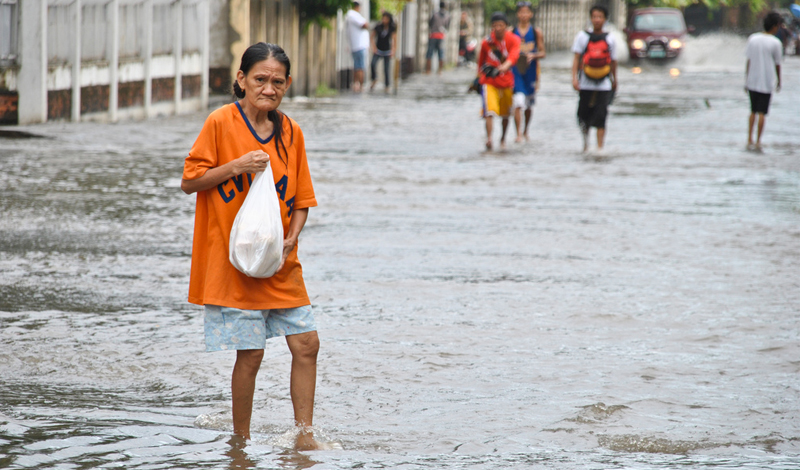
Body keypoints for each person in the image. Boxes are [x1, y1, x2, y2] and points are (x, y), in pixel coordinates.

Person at [181, 42, 321, 450]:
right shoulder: (221, 122)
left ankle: (304, 436)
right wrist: (236, 166)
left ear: (288, 84)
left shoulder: (290, 131)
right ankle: (240, 442)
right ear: (240, 80)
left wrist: (292, 237)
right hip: (234, 262)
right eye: (260, 79)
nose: (269, 88)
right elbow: (190, 181)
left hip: (279, 260)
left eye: (278, 81)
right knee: (251, 353)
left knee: (307, 344)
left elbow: (302, 200)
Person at [571, 5, 617, 153]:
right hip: (585, 82)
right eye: (594, 17)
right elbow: (576, 59)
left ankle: (599, 148)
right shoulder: (582, 37)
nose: (597, 20)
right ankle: (585, 145)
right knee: (583, 115)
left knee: (601, 115)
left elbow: (613, 62)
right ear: (590, 18)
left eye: (600, 17)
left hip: (604, 83)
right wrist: (574, 79)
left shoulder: (611, 39)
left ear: (605, 19)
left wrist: (614, 80)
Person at [477, 12, 521, 150]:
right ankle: (489, 138)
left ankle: (502, 138)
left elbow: (513, 57)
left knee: (505, 114)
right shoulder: (486, 42)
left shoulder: (514, 40)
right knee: (489, 112)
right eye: (495, 25)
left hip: (507, 82)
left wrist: (503, 67)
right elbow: (480, 63)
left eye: (500, 25)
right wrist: (478, 79)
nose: (497, 28)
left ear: (506, 26)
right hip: (490, 82)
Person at [746, 11, 783, 151]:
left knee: (752, 110)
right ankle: (758, 141)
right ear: (774, 26)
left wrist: (746, 80)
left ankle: (749, 138)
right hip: (766, 82)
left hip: (752, 81)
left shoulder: (753, 39)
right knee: (762, 112)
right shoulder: (776, 43)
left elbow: (748, 61)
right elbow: (777, 64)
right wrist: (779, 81)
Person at [512, 1, 546, 143]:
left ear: (531, 14)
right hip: (516, 71)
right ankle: (518, 133)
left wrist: (534, 55)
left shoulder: (536, 32)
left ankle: (526, 130)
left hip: (531, 71)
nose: (524, 15)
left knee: (528, 104)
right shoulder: (512, 31)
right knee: (518, 102)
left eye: (526, 12)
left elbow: (543, 52)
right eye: (521, 12)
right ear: (517, 14)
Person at [346, 1, 370, 92]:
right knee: (360, 66)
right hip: (360, 45)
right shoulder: (353, 14)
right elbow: (365, 24)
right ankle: (360, 85)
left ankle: (356, 84)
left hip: (355, 45)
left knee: (356, 65)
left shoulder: (349, 15)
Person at [370, 11, 397, 93]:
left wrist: (393, 50)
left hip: (387, 51)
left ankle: (387, 85)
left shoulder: (391, 28)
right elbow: (371, 37)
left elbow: (394, 39)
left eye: (386, 18)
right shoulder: (378, 27)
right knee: (372, 64)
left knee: (386, 69)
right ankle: (374, 78)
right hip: (378, 50)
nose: (384, 20)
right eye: (383, 18)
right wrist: (373, 48)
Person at [426, 2, 451, 74]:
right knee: (441, 54)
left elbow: (430, 24)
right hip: (441, 36)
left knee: (429, 53)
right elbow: (447, 26)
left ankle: (428, 70)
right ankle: (440, 71)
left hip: (433, 35)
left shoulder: (434, 14)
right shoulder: (448, 15)